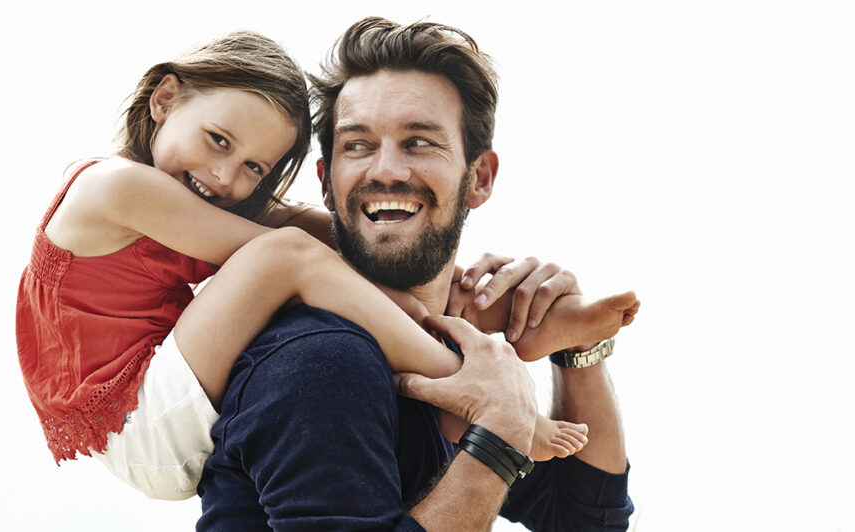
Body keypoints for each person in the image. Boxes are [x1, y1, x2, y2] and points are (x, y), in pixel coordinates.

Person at [15, 29, 635, 503]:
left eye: (256, 168)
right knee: (284, 254)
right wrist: (499, 416)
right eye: (219, 141)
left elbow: (588, 518)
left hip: (161, 399)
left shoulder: (192, 197)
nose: (228, 178)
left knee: (306, 244)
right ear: (166, 99)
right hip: (137, 418)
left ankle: (522, 324)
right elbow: (293, 247)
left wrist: (463, 280)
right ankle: (472, 382)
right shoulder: (115, 186)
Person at [196, 17, 636, 531]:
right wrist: (501, 430)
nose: (386, 169)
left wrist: (575, 352)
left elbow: (585, 520)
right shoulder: (322, 357)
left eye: (419, 142)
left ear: (480, 178)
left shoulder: (442, 355)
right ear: (326, 181)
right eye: (357, 145)